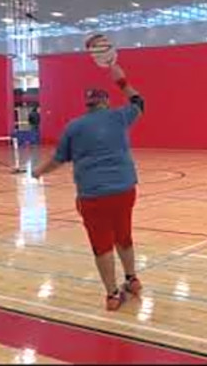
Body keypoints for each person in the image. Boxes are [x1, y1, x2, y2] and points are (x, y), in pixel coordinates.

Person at [32, 62, 144, 311]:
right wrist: (122, 81)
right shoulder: (120, 117)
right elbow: (139, 103)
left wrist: (38, 171)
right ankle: (132, 280)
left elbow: (59, 160)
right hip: (125, 190)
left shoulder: (74, 127)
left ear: (88, 105)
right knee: (124, 236)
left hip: (93, 196)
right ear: (105, 102)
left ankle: (113, 295)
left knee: (101, 245)